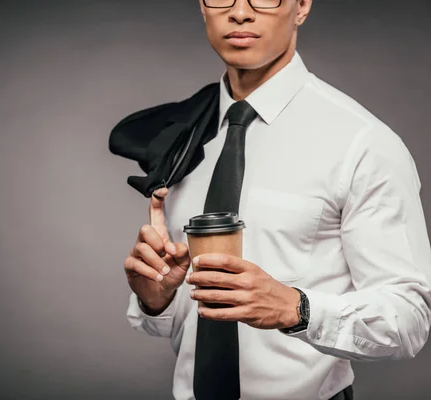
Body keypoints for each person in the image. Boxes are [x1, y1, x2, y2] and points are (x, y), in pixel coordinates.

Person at [108, 0, 431, 399]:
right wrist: (157, 299)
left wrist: (298, 309)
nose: (240, 12)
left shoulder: (362, 144)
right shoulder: (181, 136)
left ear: (301, 6)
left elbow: (410, 320)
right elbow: (175, 323)